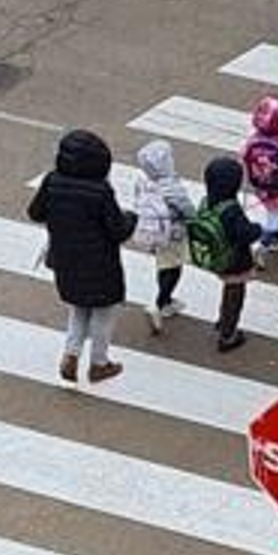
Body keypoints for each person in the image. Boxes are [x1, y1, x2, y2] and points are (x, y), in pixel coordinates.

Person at [27, 129, 137, 383]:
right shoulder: (100, 191)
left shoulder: (52, 181)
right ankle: (99, 363)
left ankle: (71, 354)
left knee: (78, 308)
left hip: (66, 260)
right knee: (103, 312)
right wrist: (132, 218)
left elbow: (35, 212)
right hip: (100, 264)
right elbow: (118, 230)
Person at [131, 139, 194, 336]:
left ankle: (164, 300)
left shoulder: (144, 181)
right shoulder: (171, 186)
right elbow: (188, 210)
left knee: (163, 265)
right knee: (173, 267)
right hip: (173, 235)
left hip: (154, 230)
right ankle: (161, 303)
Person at [199, 156, 262, 353]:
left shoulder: (207, 201)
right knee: (235, 295)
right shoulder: (232, 210)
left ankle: (222, 321)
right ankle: (228, 335)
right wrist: (257, 228)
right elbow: (246, 234)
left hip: (217, 256)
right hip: (235, 261)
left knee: (228, 290)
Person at [241, 95, 278, 267]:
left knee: (274, 212)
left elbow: (244, 155)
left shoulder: (253, 140)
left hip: (262, 187)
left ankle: (275, 240)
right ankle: (263, 244)